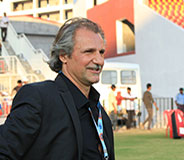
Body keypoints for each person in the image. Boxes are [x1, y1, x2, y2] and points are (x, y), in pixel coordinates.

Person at [0, 17, 115, 160]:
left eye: (101, 52)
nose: (99, 60)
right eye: (89, 52)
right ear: (63, 55)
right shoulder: (39, 98)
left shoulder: (100, 115)